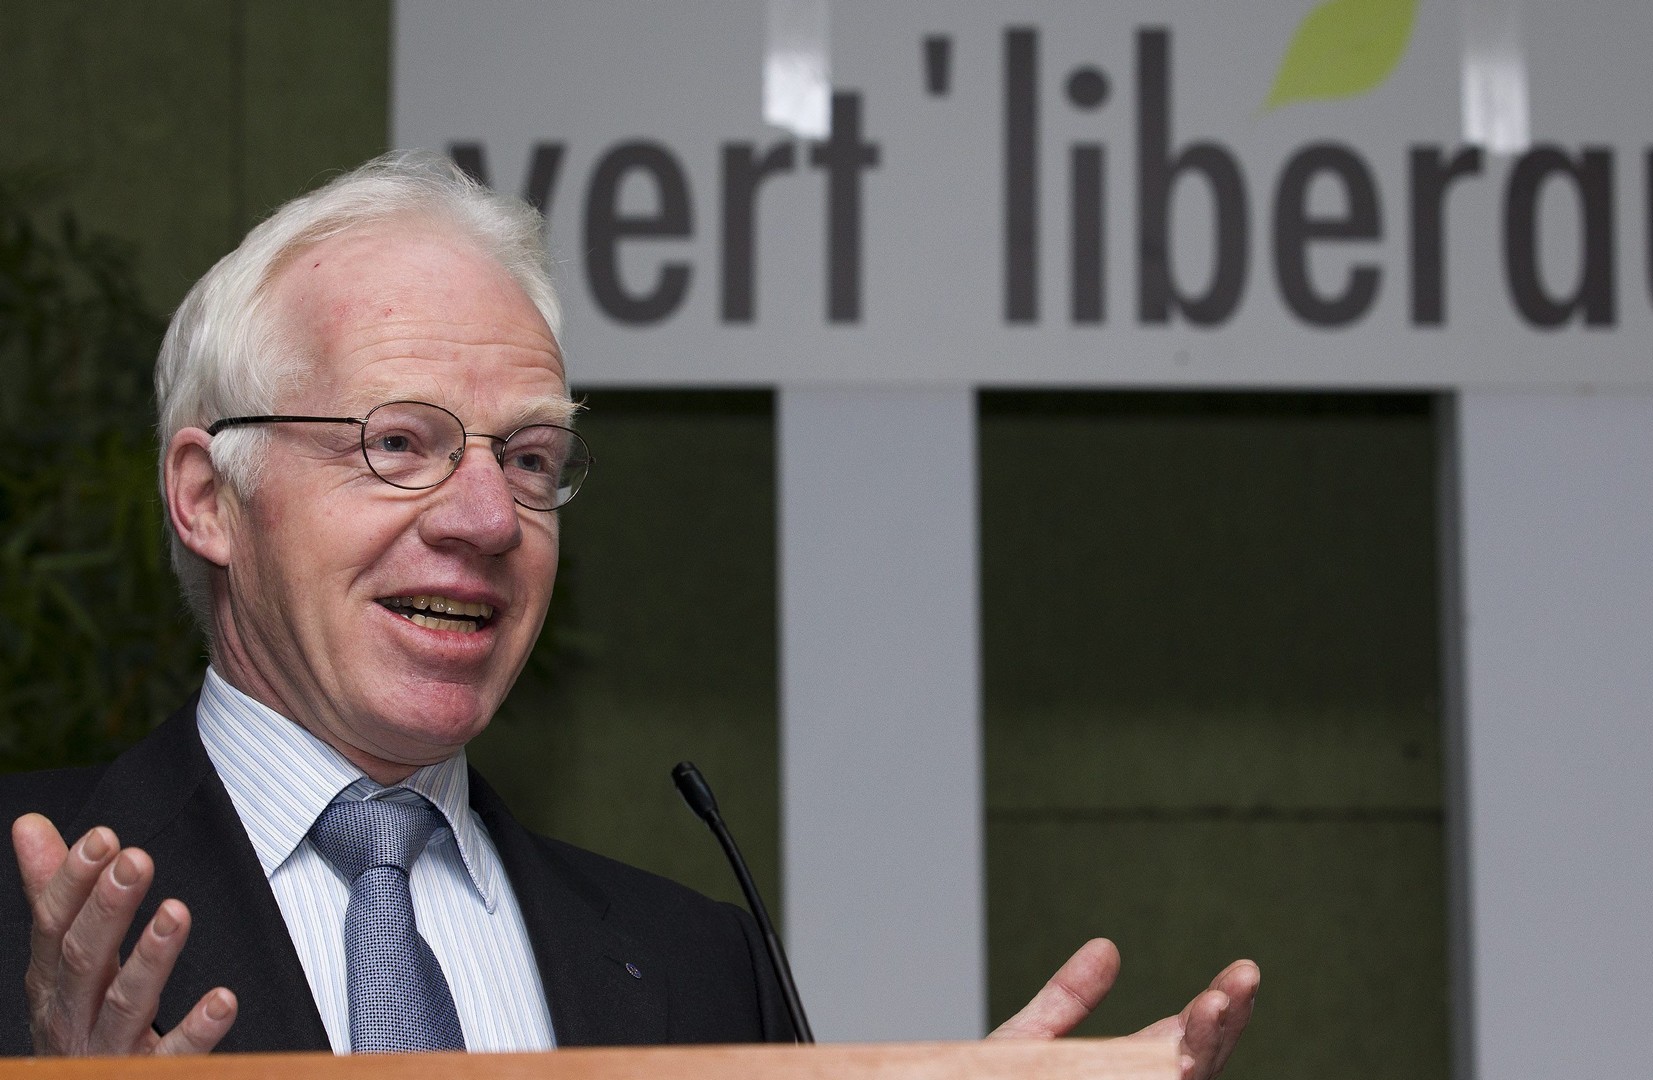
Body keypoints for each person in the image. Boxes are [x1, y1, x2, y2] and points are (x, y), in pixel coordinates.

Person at [0, 153, 1259, 1072]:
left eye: (533, 458)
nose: (489, 518)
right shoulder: (20, 905)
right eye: (401, 443)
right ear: (208, 497)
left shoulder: (698, 962)